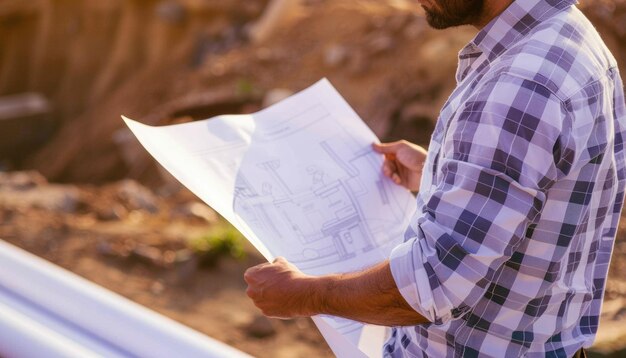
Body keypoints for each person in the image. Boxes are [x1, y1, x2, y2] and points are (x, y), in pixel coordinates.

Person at [244, 0, 626, 356]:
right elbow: (550, 191)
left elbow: (434, 285)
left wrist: (305, 295)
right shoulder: (569, 38)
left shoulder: (519, 86)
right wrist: (442, 172)